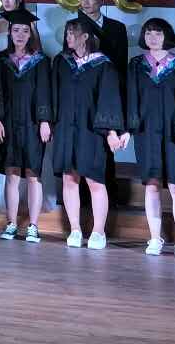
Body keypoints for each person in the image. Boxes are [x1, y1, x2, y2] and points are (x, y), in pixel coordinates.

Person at [121, 17, 175, 258]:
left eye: (158, 33)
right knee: (152, 184)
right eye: (149, 33)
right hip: (147, 133)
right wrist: (128, 129)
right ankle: (154, 238)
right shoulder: (136, 65)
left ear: (167, 36)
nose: (153, 38)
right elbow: (131, 99)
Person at [52, 16, 124, 249]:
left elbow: (109, 99)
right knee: (69, 178)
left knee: (95, 180)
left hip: (91, 131)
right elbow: (53, 94)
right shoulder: (61, 62)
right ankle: (75, 230)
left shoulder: (103, 65)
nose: (68, 37)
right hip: (65, 128)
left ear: (85, 36)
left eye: (73, 33)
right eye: (67, 33)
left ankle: (98, 232)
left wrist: (111, 132)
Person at [0, 5, 51, 242]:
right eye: (16, 30)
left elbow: (45, 92)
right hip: (8, 122)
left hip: (33, 123)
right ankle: (12, 224)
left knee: (34, 174)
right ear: (10, 33)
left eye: (25, 30)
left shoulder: (41, 61)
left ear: (31, 34)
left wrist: (45, 121)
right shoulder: (0, 60)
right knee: (12, 173)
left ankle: (33, 226)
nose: (20, 35)